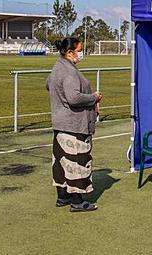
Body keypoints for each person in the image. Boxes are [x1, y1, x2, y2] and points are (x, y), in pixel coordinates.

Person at [46, 37, 103, 212]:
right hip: (74, 125)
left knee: (61, 162)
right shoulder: (70, 72)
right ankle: (77, 200)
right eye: (80, 49)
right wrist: (94, 97)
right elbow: (74, 97)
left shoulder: (57, 67)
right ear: (70, 52)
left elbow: (48, 84)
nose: (81, 53)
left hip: (60, 123)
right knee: (78, 161)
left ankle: (62, 196)